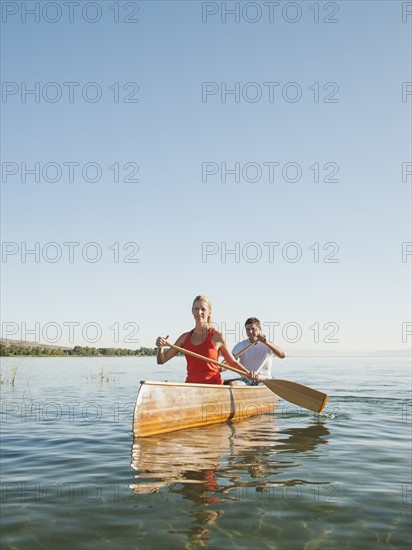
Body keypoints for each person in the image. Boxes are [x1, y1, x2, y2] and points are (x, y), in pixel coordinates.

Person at [156, 295, 258, 385]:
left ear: (209, 312)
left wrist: (248, 373)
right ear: (192, 311)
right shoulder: (184, 337)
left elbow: (232, 363)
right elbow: (161, 360)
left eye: (203, 309)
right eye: (196, 309)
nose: (199, 312)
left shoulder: (217, 337)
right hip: (190, 386)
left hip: (212, 386)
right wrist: (160, 348)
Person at [231, 317, 285, 385]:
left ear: (260, 329)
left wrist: (266, 342)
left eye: (253, 329)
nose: (250, 332)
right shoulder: (240, 346)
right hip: (246, 379)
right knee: (232, 384)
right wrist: (219, 368)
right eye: (248, 329)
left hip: (264, 380)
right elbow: (230, 361)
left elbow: (282, 355)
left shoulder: (268, 344)